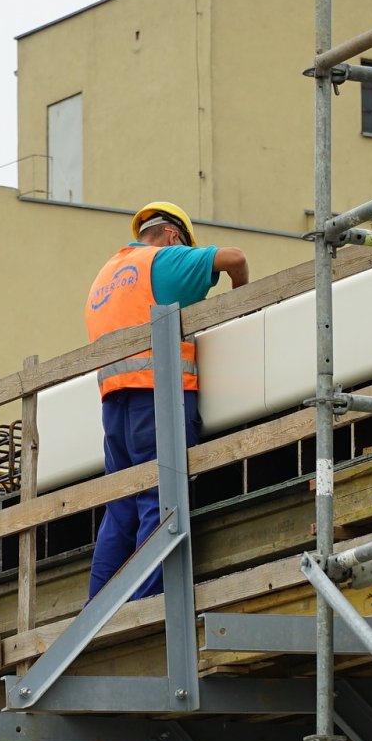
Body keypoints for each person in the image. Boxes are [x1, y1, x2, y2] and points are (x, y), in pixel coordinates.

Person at [83, 201, 248, 600]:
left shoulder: (106, 277)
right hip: (156, 397)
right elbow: (236, 259)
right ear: (174, 236)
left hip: (114, 405)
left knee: (121, 509)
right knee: (160, 497)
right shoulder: (163, 260)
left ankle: (98, 609)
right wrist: (241, 301)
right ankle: (147, 607)